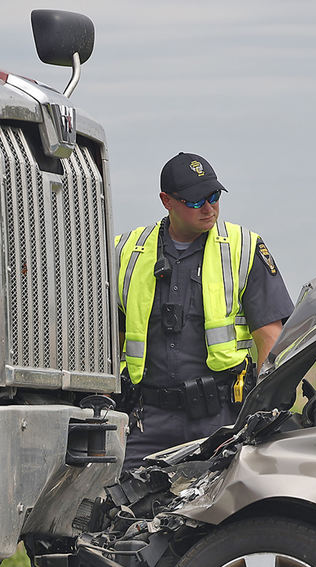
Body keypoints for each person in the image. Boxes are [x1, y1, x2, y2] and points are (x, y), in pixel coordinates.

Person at [116, 152, 294, 471]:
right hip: (146, 421)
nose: (209, 208)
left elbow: (272, 340)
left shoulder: (243, 248)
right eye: (197, 201)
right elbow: (107, 338)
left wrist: (268, 410)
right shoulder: (124, 251)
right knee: (118, 509)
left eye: (213, 196)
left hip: (221, 421)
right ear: (166, 201)